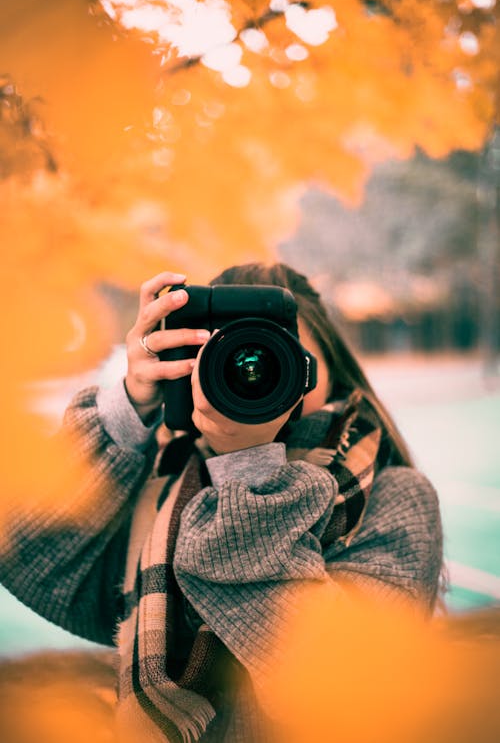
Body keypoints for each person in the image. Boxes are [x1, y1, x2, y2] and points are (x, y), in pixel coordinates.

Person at [0, 262, 443, 743]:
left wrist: (247, 469)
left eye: (281, 359)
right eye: (223, 362)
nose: (251, 378)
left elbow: (344, 687)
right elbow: (23, 552)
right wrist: (128, 410)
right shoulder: (165, 486)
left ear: (330, 372)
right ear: (187, 373)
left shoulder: (395, 500)